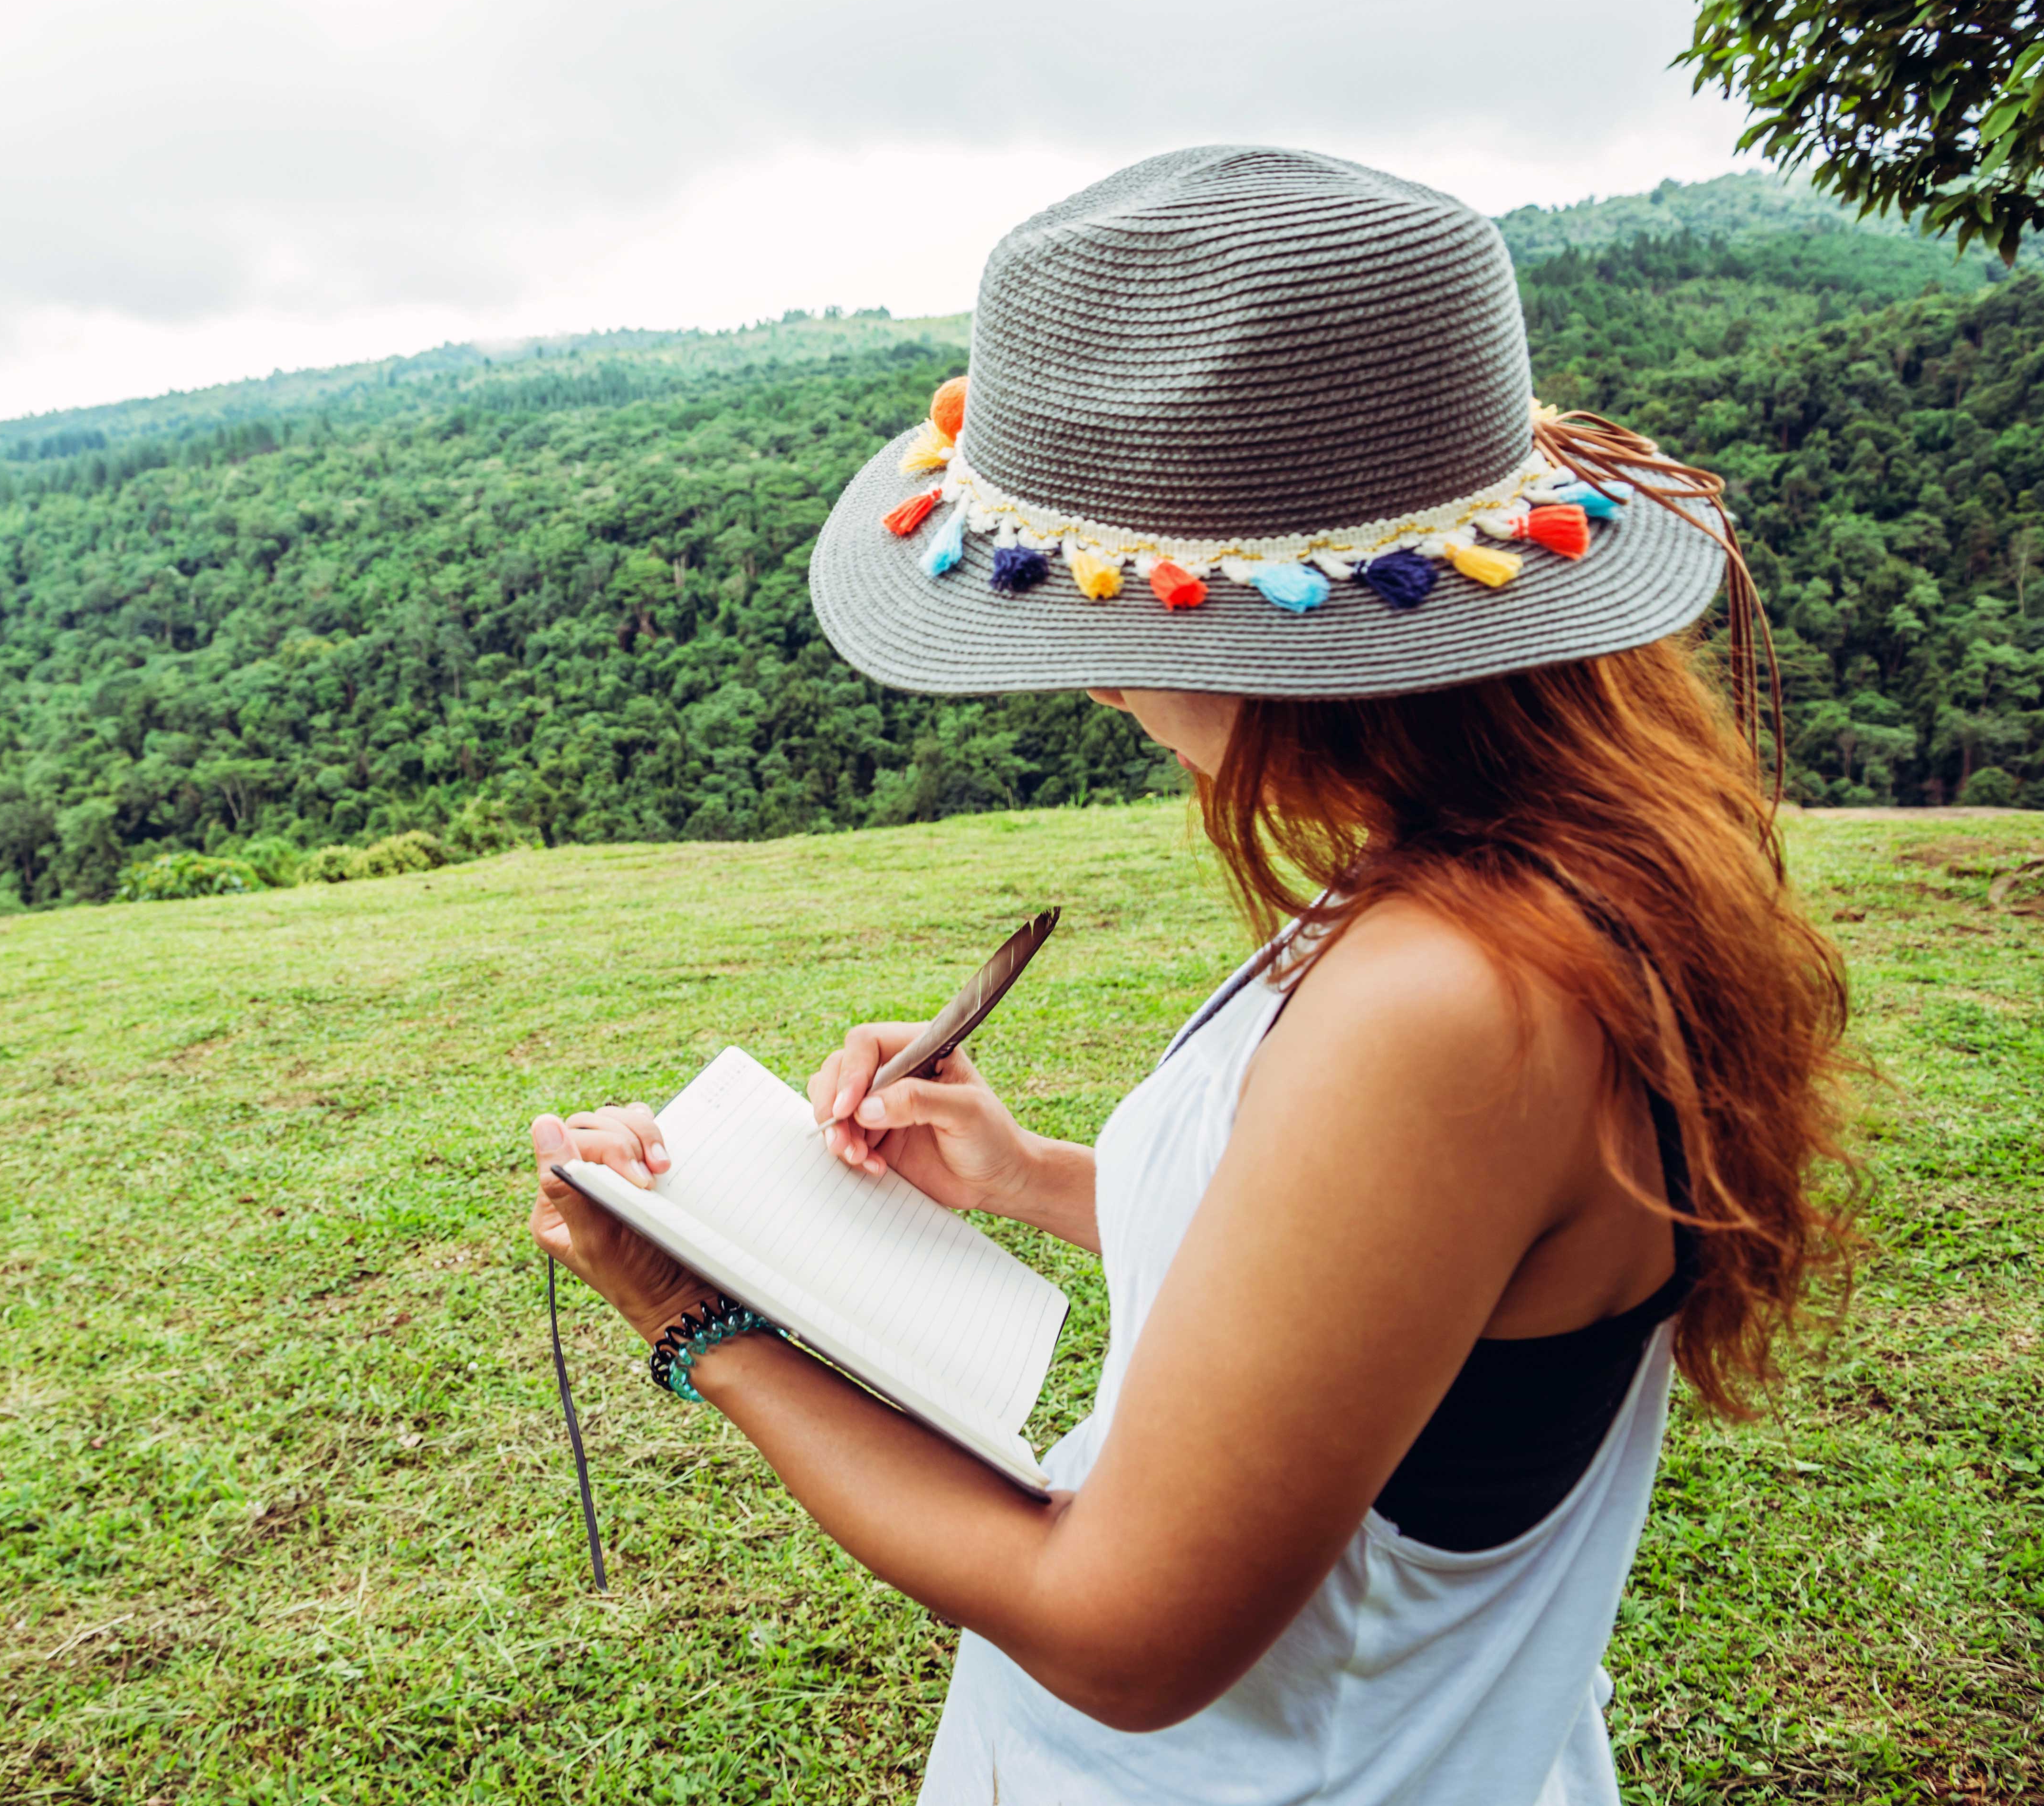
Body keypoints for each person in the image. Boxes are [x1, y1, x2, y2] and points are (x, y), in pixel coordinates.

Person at [525, 147, 1854, 1805]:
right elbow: (1398, 1287)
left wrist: (691, 1316)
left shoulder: (1452, 997)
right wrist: (1024, 1176)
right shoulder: (1519, 887)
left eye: (1106, 625)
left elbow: (1124, 1636)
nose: (1096, 684)